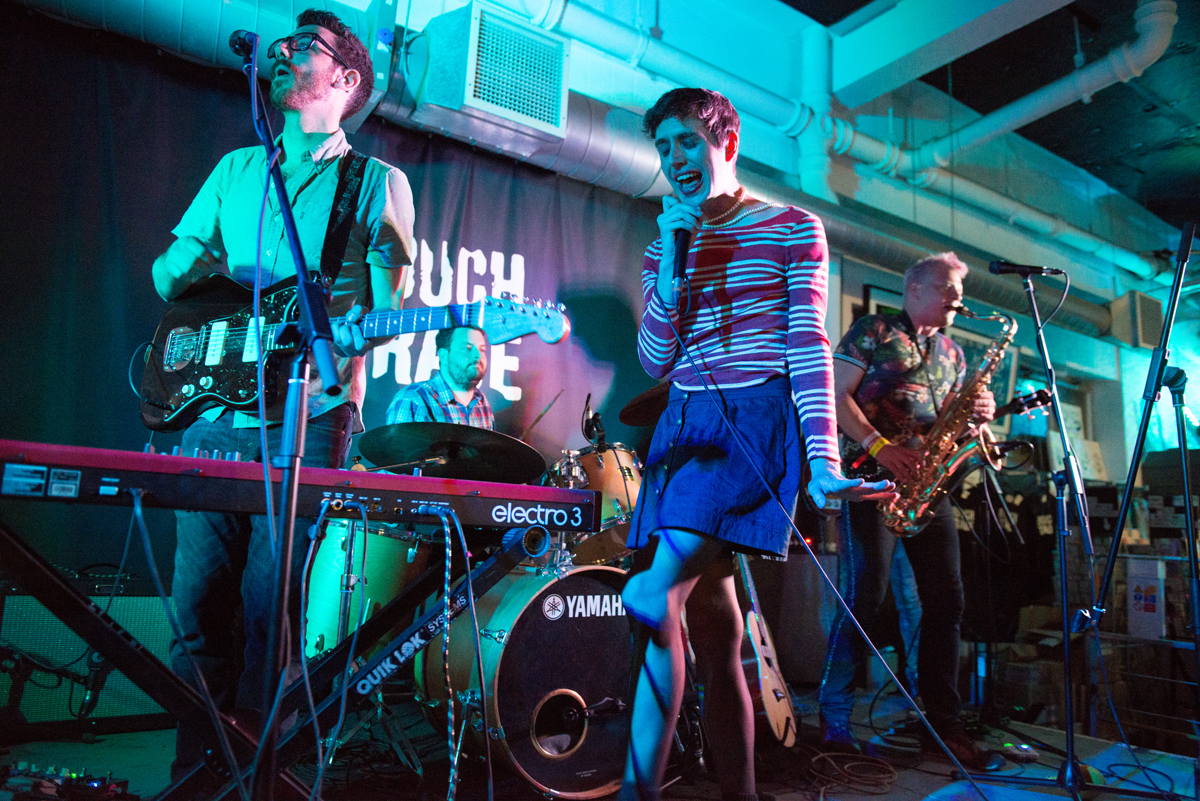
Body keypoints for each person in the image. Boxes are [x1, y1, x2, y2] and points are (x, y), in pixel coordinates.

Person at [151, 8, 415, 779]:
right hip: (211, 419)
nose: (286, 55)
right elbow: (168, 276)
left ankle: (263, 778)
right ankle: (193, 776)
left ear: (346, 79)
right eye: (287, 45)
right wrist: (220, 287)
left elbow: (388, 319)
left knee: (274, 616)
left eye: (309, 49)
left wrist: (350, 328)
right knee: (195, 615)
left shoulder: (375, 185)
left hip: (308, 419)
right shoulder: (238, 170)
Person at [619, 87, 895, 801]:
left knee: (652, 596)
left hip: (753, 425)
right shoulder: (662, 247)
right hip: (683, 424)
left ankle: (632, 793)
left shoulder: (792, 227)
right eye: (664, 147)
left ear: (726, 142)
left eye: (687, 141)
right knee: (717, 633)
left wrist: (825, 462)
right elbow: (653, 357)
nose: (675, 158)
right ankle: (738, 792)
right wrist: (674, 269)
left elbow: (807, 347)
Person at [817, 252, 1003, 770]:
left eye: (958, 291)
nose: (957, 299)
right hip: (872, 480)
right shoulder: (872, 330)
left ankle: (942, 725)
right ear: (915, 288)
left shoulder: (954, 354)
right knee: (865, 594)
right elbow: (834, 396)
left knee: (947, 600)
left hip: (928, 487)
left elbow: (953, 427)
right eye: (948, 288)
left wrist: (978, 419)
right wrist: (880, 447)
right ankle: (834, 719)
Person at [384, 325, 493, 428]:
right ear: (444, 356)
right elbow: (397, 447)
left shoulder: (483, 402)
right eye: (468, 348)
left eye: (482, 349)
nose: (477, 355)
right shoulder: (413, 399)